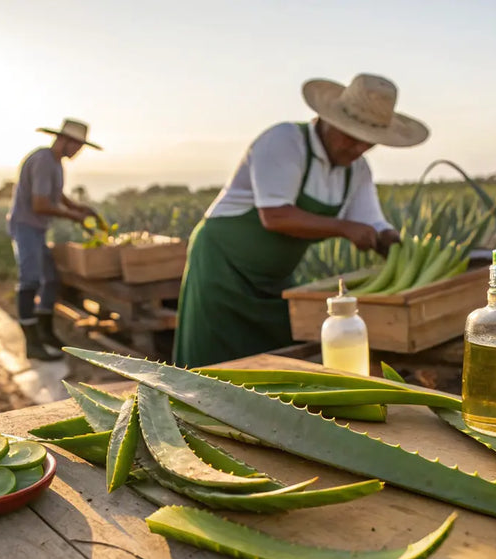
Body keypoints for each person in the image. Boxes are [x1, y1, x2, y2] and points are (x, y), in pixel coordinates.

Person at [173, 74, 430, 368]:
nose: (358, 149)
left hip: (276, 280)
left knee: (273, 363)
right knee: (214, 363)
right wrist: (345, 228)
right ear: (329, 120)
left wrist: (395, 246)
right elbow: (275, 216)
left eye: (369, 143)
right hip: (223, 270)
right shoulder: (284, 141)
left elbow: (372, 221)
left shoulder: (356, 170)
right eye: (352, 137)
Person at [7, 118, 101, 361]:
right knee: (30, 281)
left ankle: (46, 333)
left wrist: (78, 207)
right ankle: (32, 343)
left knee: (50, 280)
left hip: (37, 229)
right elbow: (40, 205)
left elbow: (55, 194)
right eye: (77, 146)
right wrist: (74, 216)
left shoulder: (56, 164)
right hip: (26, 226)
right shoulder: (42, 161)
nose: (78, 151)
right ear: (64, 140)